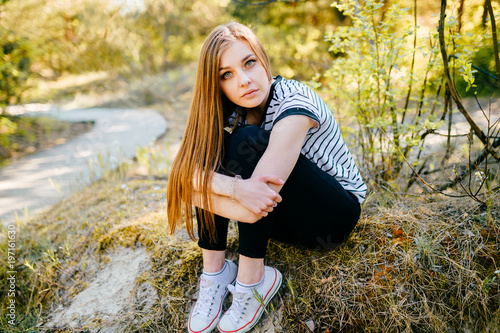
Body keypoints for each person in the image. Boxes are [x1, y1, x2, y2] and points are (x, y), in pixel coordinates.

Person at [166, 22, 367, 333]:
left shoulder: (294, 102)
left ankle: (253, 280)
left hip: (331, 218)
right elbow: (184, 171)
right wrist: (233, 187)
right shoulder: (232, 110)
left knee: (247, 140)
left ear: (262, 58)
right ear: (216, 84)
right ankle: (215, 274)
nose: (244, 80)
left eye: (249, 63)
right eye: (226, 74)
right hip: (281, 219)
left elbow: (253, 204)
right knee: (210, 143)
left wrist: (197, 191)